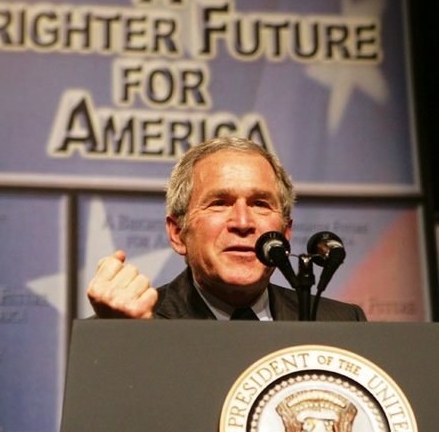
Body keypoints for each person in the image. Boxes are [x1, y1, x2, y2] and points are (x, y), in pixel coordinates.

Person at [87, 137, 366, 321]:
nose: (243, 223)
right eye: (219, 203)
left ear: (285, 233)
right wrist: (123, 338)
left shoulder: (340, 323)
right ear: (177, 233)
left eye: (260, 204)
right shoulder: (132, 325)